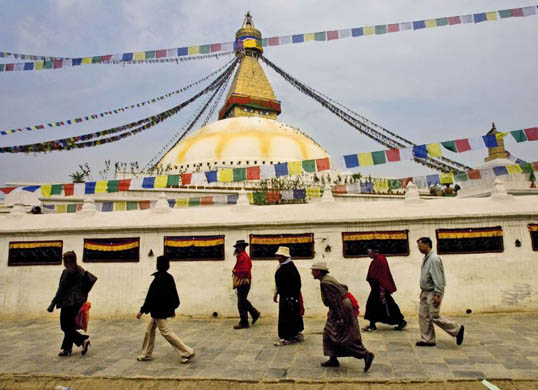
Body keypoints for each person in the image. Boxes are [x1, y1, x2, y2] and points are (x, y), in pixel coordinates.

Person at [311, 261, 374, 372]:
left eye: (313, 270)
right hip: (340, 308)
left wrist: (340, 318)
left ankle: (365, 354)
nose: (312, 272)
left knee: (345, 336)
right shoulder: (326, 279)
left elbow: (335, 301)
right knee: (328, 332)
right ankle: (333, 358)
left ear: (319, 271)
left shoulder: (325, 282)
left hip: (341, 309)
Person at [136, 255, 195, 363]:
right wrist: (172, 309)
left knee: (166, 332)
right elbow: (173, 296)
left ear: (158, 265)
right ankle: (146, 354)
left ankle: (186, 351)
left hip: (158, 311)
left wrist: (141, 311)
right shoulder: (169, 277)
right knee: (149, 331)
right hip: (161, 311)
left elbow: (150, 297)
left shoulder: (158, 279)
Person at [416, 237, 464, 347]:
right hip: (426, 291)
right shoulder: (426, 258)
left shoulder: (434, 259)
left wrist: (437, 294)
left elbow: (438, 278)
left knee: (434, 316)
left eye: (420, 245)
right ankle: (428, 339)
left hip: (433, 292)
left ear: (427, 244)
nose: (419, 248)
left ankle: (457, 329)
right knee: (423, 315)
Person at [47, 251, 94, 357]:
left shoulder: (67, 272)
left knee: (65, 326)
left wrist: (53, 303)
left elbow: (61, 289)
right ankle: (67, 349)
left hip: (68, 303)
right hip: (78, 302)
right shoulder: (80, 270)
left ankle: (83, 340)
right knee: (70, 326)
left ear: (67, 261)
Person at [363, 243, 406, 332]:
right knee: (377, 305)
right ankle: (373, 324)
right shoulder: (376, 259)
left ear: (373, 251)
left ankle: (400, 321)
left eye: (369, 251)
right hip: (377, 287)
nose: (368, 254)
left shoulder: (380, 259)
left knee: (376, 304)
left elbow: (382, 275)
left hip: (380, 287)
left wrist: (382, 291)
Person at [273, 246, 304, 346]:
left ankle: (288, 336)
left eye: (279, 256)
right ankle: (293, 334)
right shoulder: (282, 266)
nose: (278, 258)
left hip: (289, 296)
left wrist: (291, 297)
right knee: (289, 315)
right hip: (285, 295)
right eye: (277, 256)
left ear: (284, 256)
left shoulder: (290, 268)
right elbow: (278, 283)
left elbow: (297, 284)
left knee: (288, 316)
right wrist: (276, 293)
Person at [232, 239, 260, 329]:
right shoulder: (242, 256)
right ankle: (254, 313)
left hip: (243, 282)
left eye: (239, 247)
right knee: (243, 300)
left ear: (242, 247)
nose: (238, 248)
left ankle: (244, 322)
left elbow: (245, 270)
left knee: (241, 302)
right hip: (244, 282)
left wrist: (236, 272)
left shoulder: (243, 257)